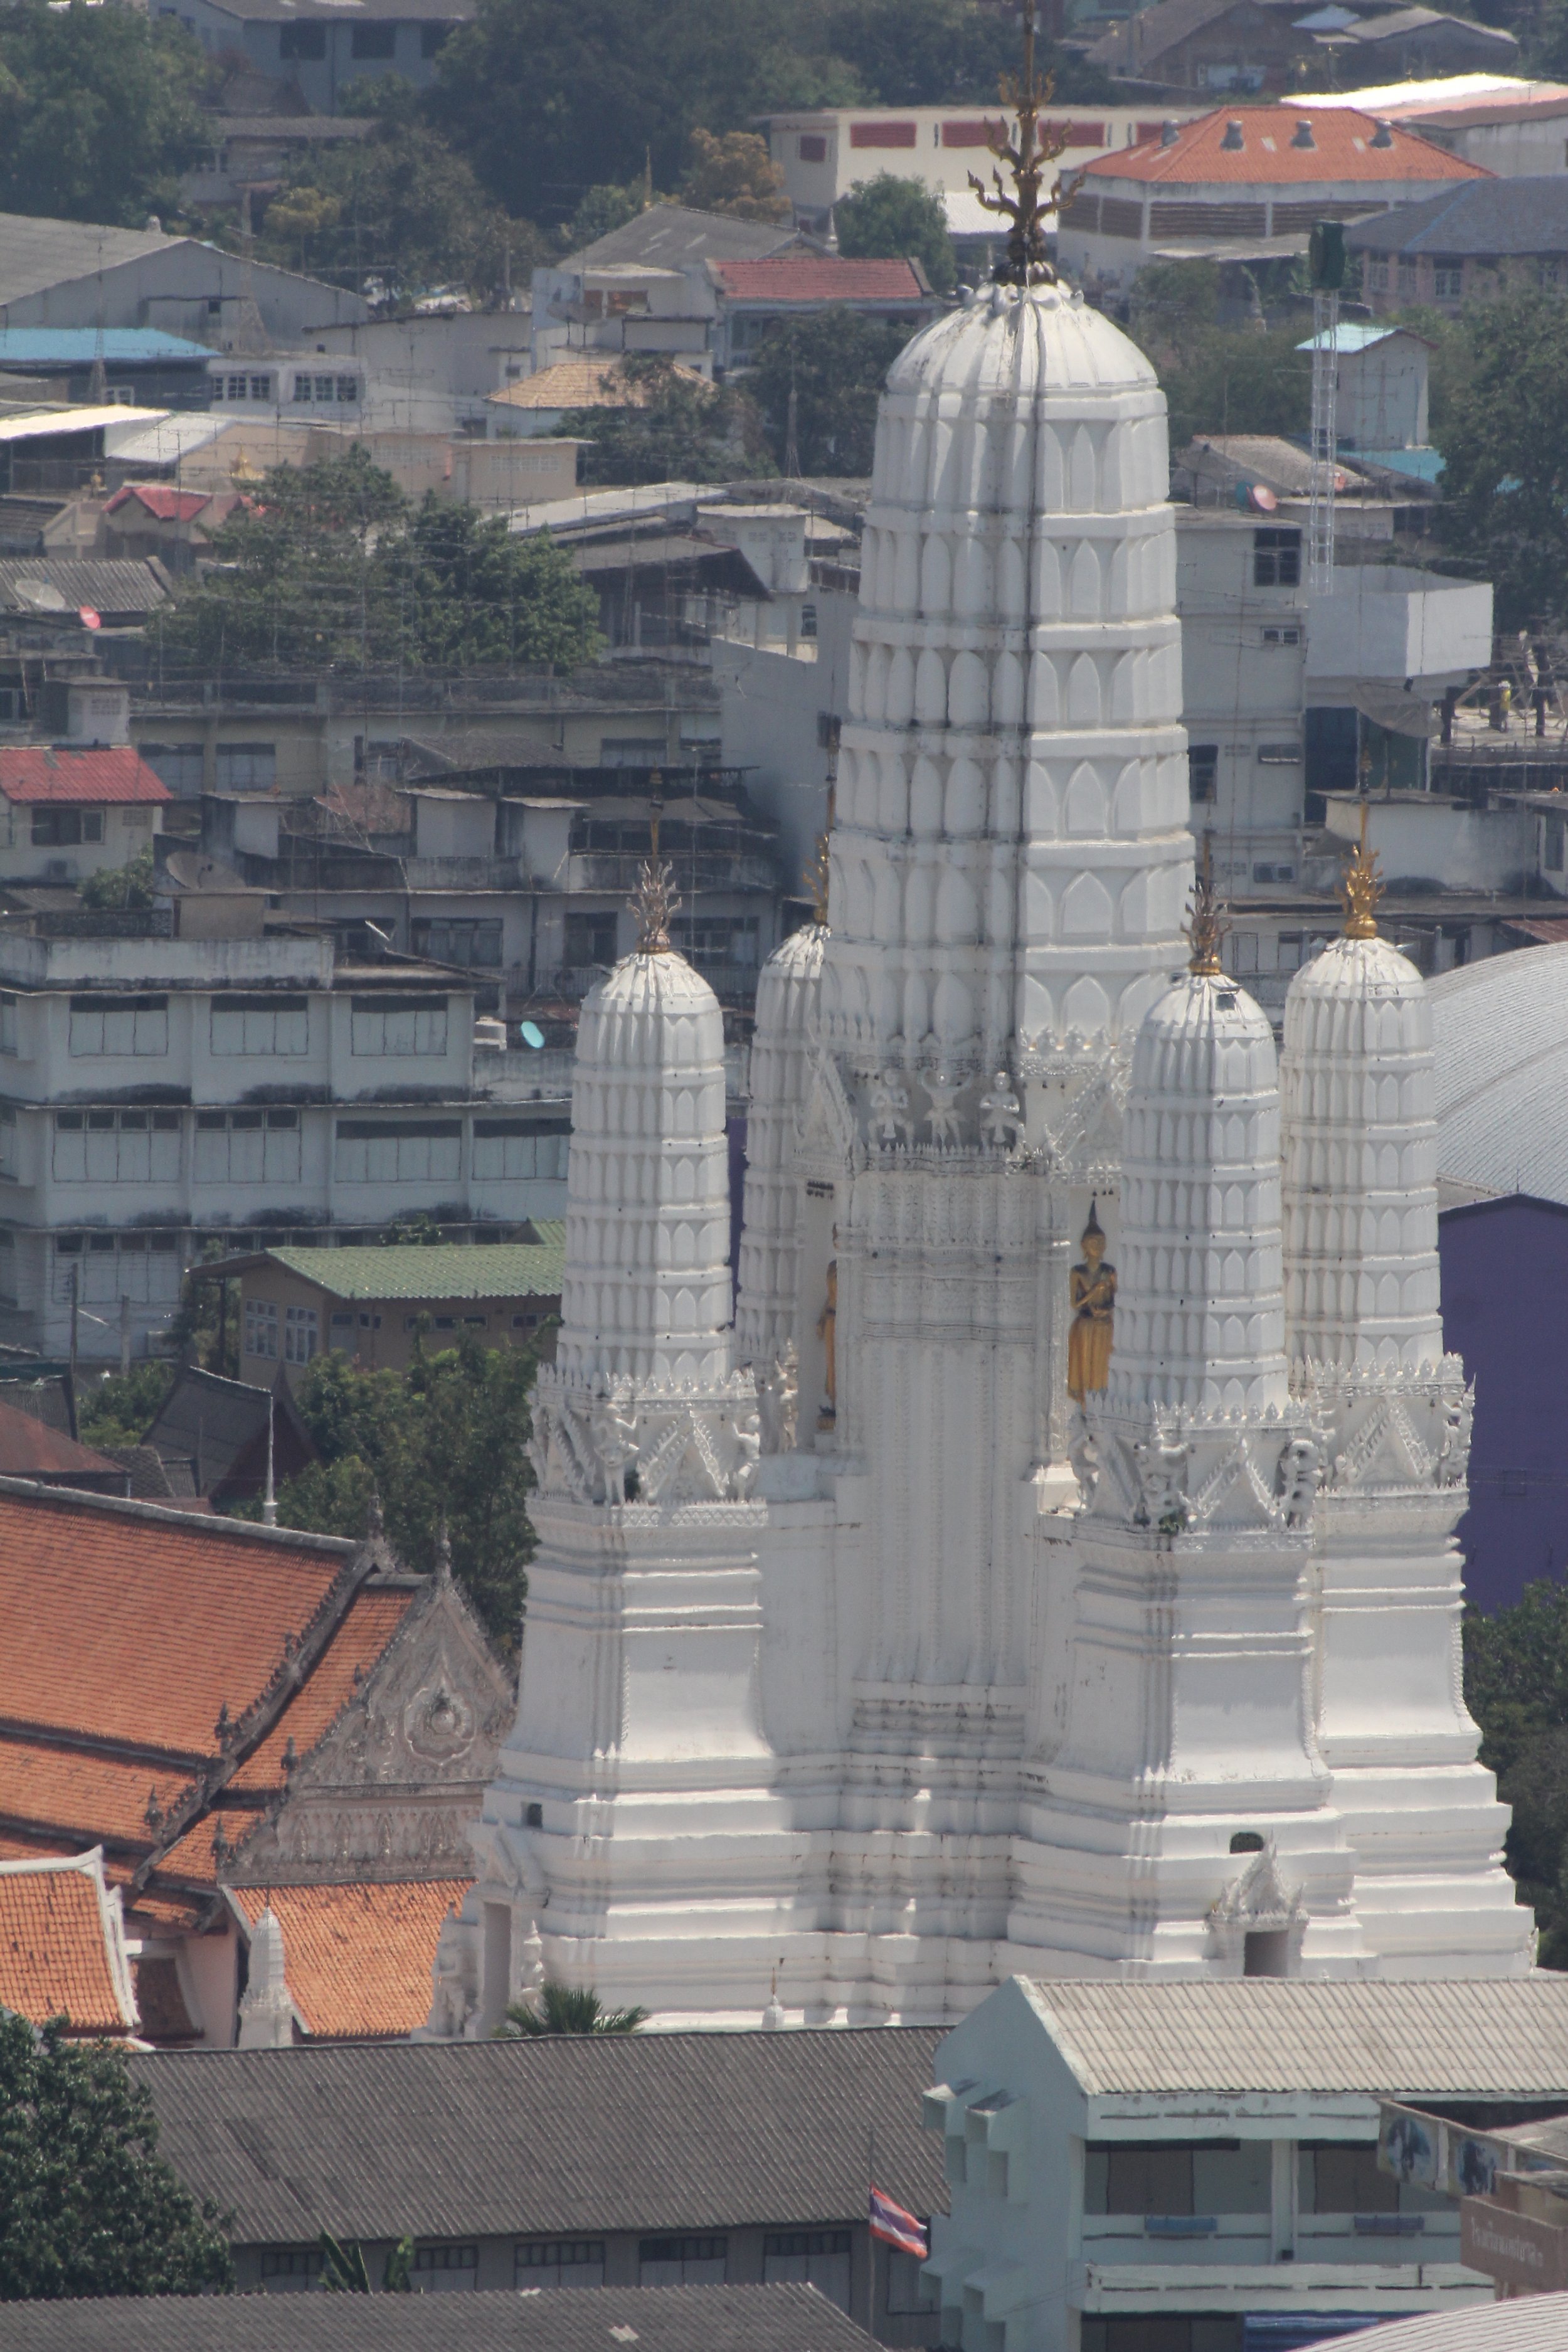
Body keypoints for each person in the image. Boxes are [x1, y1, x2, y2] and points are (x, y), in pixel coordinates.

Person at [1067, 1203, 1116, 1402]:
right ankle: (1084, 1401)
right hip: (1085, 1324)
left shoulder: (1109, 1271)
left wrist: (1105, 1311)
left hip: (1104, 1324)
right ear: (1084, 1245)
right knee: (1085, 1363)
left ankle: (1101, 1402)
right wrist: (1093, 1293)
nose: (1098, 1246)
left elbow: (1115, 1299)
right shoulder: (1078, 1272)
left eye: (1101, 1242)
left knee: (1101, 1365)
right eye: (1093, 1242)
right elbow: (1075, 1304)